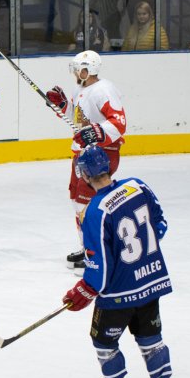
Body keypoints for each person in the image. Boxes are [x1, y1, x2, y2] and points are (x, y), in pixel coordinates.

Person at [61, 145, 175, 378]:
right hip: (150, 280)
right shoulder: (138, 186)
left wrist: (83, 291)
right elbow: (160, 225)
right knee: (150, 338)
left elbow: (99, 267)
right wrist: (136, 260)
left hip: (118, 293)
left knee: (103, 341)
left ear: (85, 176)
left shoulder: (95, 212)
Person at [45, 50, 126, 272]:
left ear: (87, 69)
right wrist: (62, 106)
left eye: (78, 68)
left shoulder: (104, 90)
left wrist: (95, 133)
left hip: (102, 153)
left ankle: (97, 251)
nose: (74, 73)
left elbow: (118, 124)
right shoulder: (79, 89)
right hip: (82, 152)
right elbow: (78, 120)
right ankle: (87, 247)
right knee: (76, 199)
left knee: (88, 203)